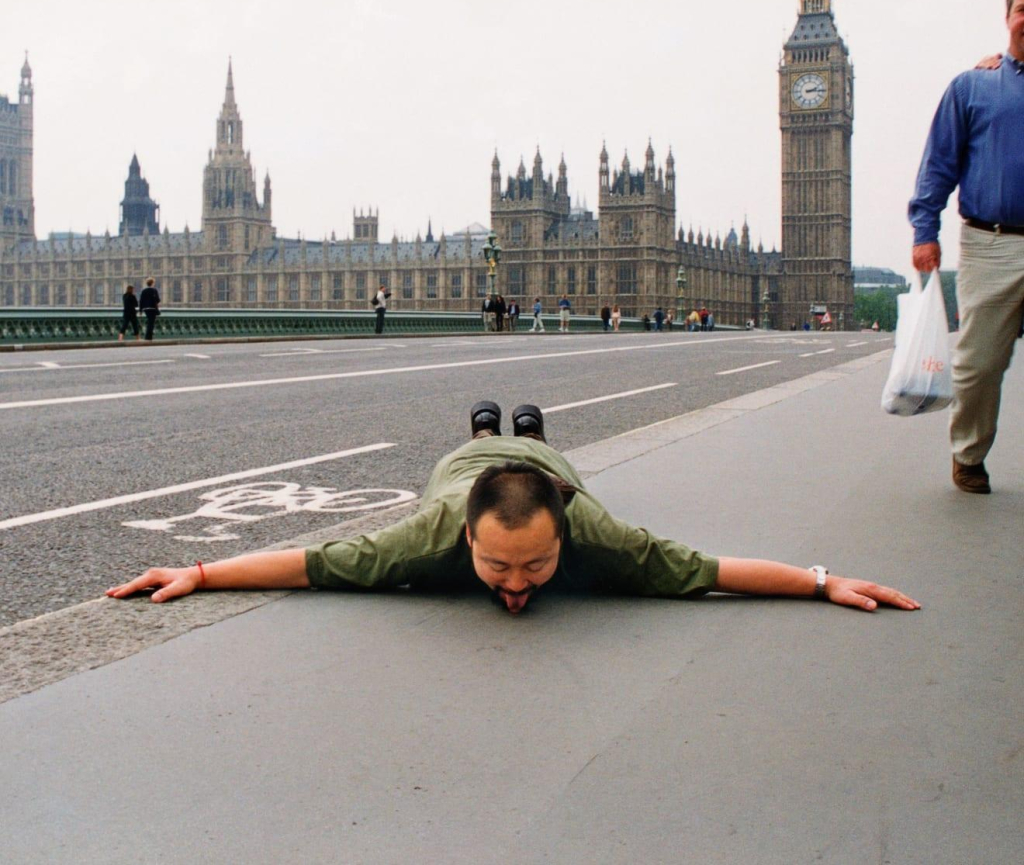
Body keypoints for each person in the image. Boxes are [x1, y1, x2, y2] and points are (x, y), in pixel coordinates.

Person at [107, 402, 921, 617]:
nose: (517, 586)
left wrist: (822, 582)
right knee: (483, 446)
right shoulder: (427, 533)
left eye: (535, 566)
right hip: (464, 472)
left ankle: (521, 433)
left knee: (534, 447)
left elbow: (712, 571)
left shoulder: (597, 529)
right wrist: (200, 570)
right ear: (464, 539)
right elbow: (313, 563)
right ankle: (490, 432)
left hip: (549, 473)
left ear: (565, 536)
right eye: (497, 566)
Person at [907, 0, 1024, 495]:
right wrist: (923, 229)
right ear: (1008, 17)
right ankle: (969, 455)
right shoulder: (973, 86)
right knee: (978, 364)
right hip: (991, 241)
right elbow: (939, 163)